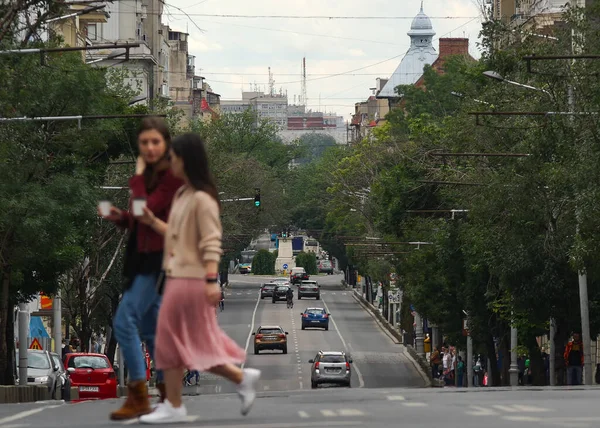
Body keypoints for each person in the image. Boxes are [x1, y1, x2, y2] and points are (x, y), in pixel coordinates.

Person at [137, 133, 261, 424]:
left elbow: (211, 241)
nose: (170, 163)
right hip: (176, 276)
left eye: (173, 158)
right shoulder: (183, 195)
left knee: (169, 341)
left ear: (186, 160)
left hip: (191, 280)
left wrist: (210, 279)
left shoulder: (203, 200)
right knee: (190, 342)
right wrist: (151, 221)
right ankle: (239, 378)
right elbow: (177, 236)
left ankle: (174, 404)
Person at [99, 117, 183, 421]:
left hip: (158, 261)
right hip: (142, 260)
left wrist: (137, 179)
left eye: (155, 142)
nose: (149, 148)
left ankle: (138, 395)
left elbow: (147, 208)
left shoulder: (171, 178)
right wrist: (117, 216)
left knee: (123, 322)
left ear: (166, 145)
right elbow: (137, 217)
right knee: (150, 330)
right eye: (144, 143)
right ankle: (168, 396)